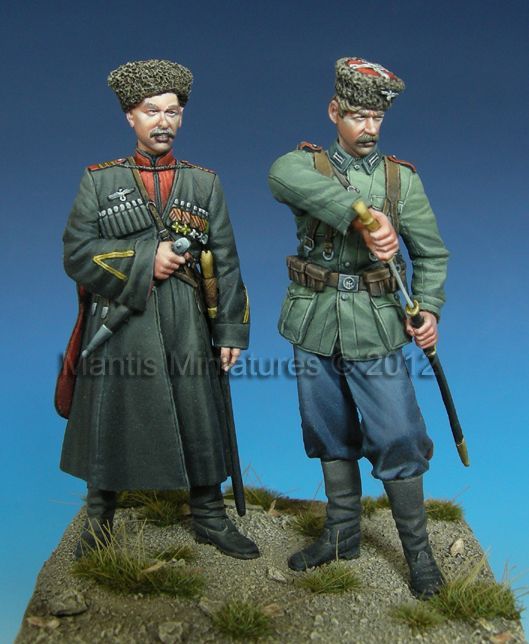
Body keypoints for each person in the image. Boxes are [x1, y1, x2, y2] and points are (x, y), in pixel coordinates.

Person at [57, 59, 258, 560]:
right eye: (152, 111)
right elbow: (77, 254)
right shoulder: (100, 181)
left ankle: (209, 514)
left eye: (172, 112)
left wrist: (230, 331)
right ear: (131, 116)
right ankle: (99, 518)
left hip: (187, 316)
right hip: (120, 318)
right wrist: (147, 258)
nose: (163, 122)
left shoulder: (204, 184)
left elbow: (226, 262)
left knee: (199, 410)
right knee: (110, 414)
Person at [268, 57, 449, 597]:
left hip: (376, 322)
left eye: (376, 118)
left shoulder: (401, 179)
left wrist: (429, 308)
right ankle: (342, 534)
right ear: (334, 112)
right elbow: (281, 178)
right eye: (357, 116)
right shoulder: (305, 165)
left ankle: (418, 553)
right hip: (314, 319)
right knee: (327, 429)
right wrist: (363, 216)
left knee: (399, 434)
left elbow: (431, 255)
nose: (368, 128)